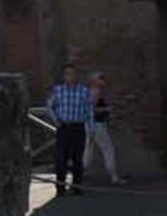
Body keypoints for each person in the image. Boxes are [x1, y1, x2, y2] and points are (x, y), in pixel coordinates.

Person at [46, 63, 93, 195]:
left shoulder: (84, 91)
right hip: (64, 128)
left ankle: (77, 187)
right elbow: (50, 106)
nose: (70, 76)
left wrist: (91, 128)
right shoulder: (58, 90)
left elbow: (89, 111)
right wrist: (56, 121)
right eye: (67, 74)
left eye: (73, 73)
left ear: (77, 75)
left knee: (77, 159)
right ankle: (60, 188)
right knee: (61, 158)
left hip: (78, 128)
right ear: (64, 76)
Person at [82, 72, 126, 185]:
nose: (103, 81)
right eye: (101, 79)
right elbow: (92, 110)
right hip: (96, 125)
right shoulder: (95, 92)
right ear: (95, 81)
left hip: (89, 125)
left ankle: (79, 174)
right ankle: (114, 176)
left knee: (88, 151)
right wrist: (107, 109)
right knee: (108, 149)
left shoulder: (90, 92)